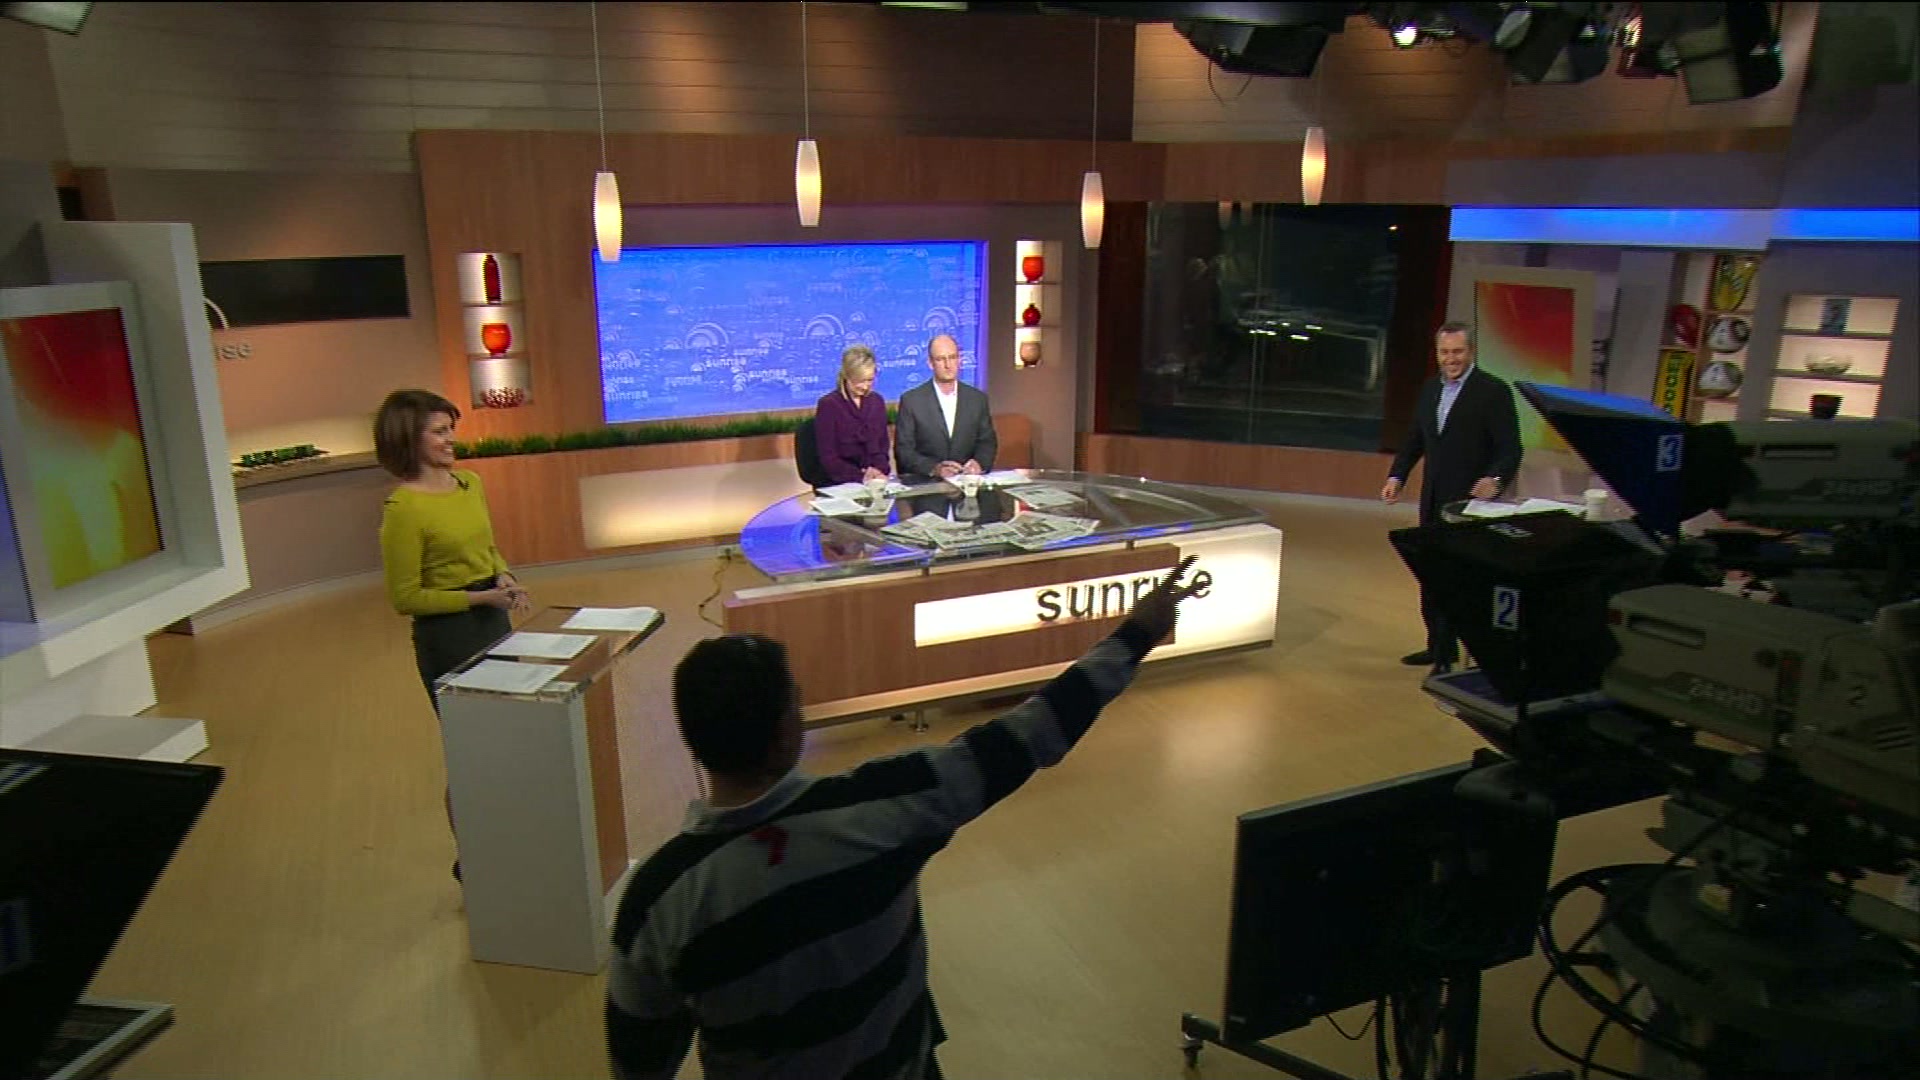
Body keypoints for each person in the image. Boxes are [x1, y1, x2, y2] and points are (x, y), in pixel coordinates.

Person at [606, 557, 1205, 1080]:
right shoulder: (886, 805)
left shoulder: (655, 900)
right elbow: (1039, 728)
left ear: (693, 741)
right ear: (788, 727)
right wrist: (1137, 633)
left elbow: (639, 1061)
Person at [374, 389, 529, 877]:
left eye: (451, 429)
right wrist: (479, 598)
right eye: (439, 432)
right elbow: (406, 598)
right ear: (408, 439)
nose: (451, 439)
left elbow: (487, 547)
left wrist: (502, 574)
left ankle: (510, 841)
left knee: (508, 744)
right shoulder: (403, 508)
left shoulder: (469, 483)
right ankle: (475, 863)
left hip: (494, 621)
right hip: (451, 637)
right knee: (471, 754)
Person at [1381, 322, 1522, 675]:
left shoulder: (1493, 391)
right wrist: (1397, 476)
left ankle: (1448, 657)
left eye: (1457, 351)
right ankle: (1437, 646)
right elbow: (1415, 439)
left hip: (1469, 507)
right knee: (1430, 574)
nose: (1451, 359)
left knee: (1456, 580)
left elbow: (1510, 448)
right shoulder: (1431, 389)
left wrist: (1495, 480)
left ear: (1471, 352)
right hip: (1432, 500)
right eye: (1444, 352)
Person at [894, 333, 997, 480]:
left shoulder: (977, 399)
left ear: (959, 360)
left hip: (968, 484)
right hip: (927, 486)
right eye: (941, 359)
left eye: (952, 357)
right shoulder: (912, 401)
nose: (948, 365)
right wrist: (935, 469)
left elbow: (987, 442)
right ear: (930, 363)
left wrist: (979, 463)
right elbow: (904, 452)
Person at [813, 345, 892, 484]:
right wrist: (860, 476)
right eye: (860, 381)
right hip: (842, 482)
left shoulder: (877, 402)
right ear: (846, 376)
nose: (865, 386)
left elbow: (882, 448)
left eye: (869, 380)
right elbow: (829, 458)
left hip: (876, 479)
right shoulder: (829, 405)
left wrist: (878, 470)